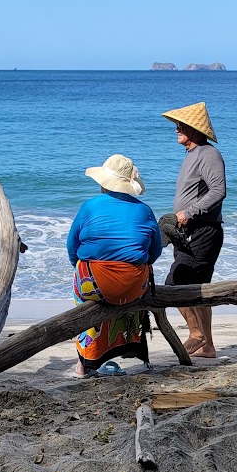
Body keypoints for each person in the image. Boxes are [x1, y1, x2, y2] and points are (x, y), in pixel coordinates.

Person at [67, 154, 163, 377]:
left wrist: (85, 271)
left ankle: (84, 364)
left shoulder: (90, 206)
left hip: (95, 286)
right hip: (134, 289)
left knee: (82, 269)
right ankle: (128, 343)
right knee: (140, 268)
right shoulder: (145, 210)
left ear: (103, 182)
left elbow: (72, 247)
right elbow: (154, 253)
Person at [161, 102, 226, 358]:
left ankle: (196, 334)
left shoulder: (208, 154)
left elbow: (219, 191)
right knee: (199, 290)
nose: (176, 129)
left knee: (175, 283)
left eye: (182, 125)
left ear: (196, 130)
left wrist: (188, 213)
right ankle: (207, 346)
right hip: (189, 233)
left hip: (203, 232)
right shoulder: (192, 154)